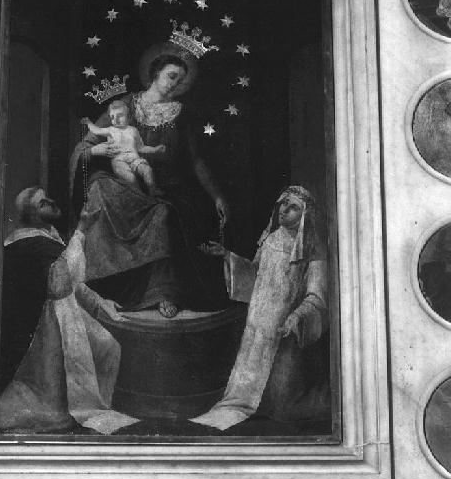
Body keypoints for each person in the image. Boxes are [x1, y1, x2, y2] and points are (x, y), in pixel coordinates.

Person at [72, 41, 229, 319]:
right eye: (171, 76)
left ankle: (163, 292)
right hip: (126, 182)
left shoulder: (182, 115)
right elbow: (86, 145)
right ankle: (105, 284)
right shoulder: (124, 105)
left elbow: (197, 162)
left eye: (180, 80)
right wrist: (95, 150)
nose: (175, 84)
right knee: (99, 188)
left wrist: (217, 195)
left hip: (166, 189)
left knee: (162, 215)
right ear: (155, 73)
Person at [0, 186, 137, 434]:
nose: (51, 202)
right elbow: (60, 285)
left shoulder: (47, 237)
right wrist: (82, 229)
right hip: (43, 326)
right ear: (32, 214)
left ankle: (94, 403)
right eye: (43, 202)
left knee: (108, 346)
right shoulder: (29, 244)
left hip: (60, 313)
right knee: (72, 378)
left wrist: (100, 303)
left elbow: (74, 284)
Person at [192, 185, 330, 430]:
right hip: (258, 322)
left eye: (293, 207)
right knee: (247, 386)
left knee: (282, 404)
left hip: (284, 330)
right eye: (283, 204)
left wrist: (296, 317)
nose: (284, 210)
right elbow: (254, 274)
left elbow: (317, 296)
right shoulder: (270, 238)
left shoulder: (313, 248)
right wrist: (227, 255)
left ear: (305, 215)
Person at [81, 99, 165, 196]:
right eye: (112, 117)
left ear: (128, 117)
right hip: (119, 161)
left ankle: (153, 190)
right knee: (131, 179)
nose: (116, 120)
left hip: (134, 159)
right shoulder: (111, 130)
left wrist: (154, 149)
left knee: (148, 170)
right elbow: (97, 131)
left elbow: (141, 147)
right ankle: (140, 197)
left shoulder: (133, 130)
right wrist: (89, 123)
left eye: (120, 115)